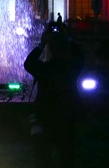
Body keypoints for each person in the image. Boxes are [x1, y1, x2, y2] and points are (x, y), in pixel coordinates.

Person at [24, 31, 84, 168]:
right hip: (66, 115)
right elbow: (80, 57)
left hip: (44, 115)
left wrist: (41, 44)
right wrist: (70, 38)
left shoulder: (44, 69)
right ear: (66, 50)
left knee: (43, 157)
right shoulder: (71, 69)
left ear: (49, 50)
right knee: (67, 156)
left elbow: (28, 63)